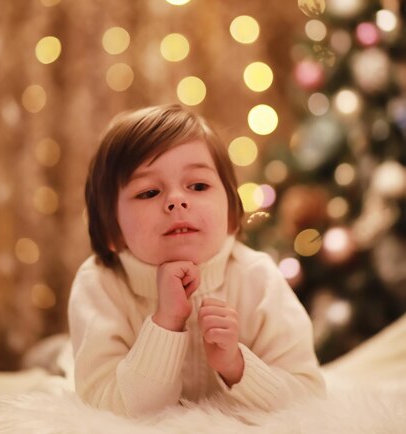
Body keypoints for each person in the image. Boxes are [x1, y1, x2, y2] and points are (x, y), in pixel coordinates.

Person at [68, 104, 325, 418]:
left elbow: (309, 397)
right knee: (58, 363)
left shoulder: (257, 277)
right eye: (149, 192)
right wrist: (166, 324)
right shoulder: (99, 285)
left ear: (231, 212)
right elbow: (105, 412)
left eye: (199, 186)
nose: (177, 199)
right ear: (111, 230)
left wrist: (237, 367)